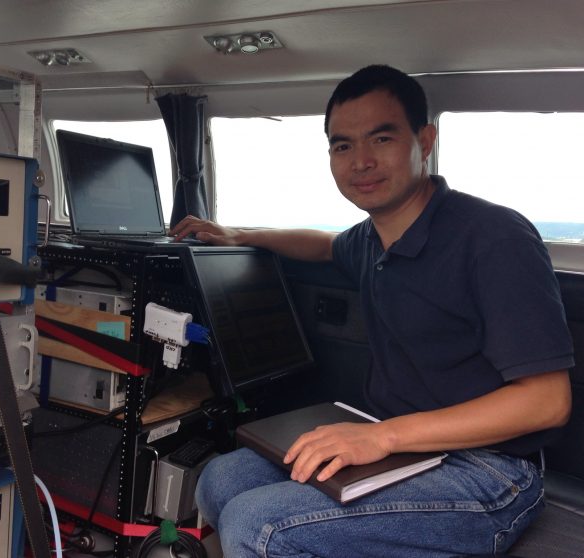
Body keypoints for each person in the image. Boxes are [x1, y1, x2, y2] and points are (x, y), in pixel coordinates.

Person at [170, 65, 573, 557]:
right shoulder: (370, 240)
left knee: (260, 526)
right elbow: (323, 245)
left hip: (491, 469)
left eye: (381, 139)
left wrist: (384, 437)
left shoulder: (492, 237)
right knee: (221, 478)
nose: (360, 162)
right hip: (397, 445)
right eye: (343, 146)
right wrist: (239, 235)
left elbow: (547, 400)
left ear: (425, 140)